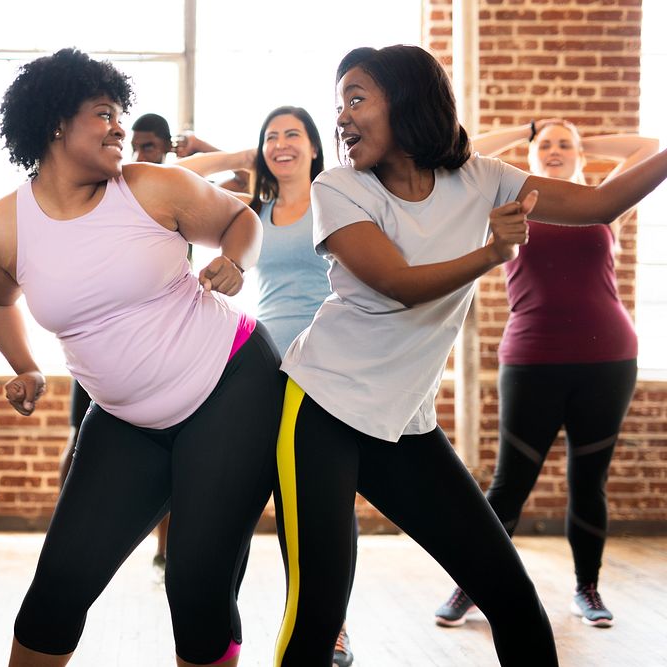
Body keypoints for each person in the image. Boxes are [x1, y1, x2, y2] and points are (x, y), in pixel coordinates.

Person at [272, 44, 667, 667]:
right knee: (320, 611)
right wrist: (491, 253)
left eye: (356, 99)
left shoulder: (483, 178)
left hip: (405, 425)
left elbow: (599, 206)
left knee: (511, 597)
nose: (342, 118)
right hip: (321, 410)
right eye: (339, 103)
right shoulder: (338, 187)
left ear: (406, 102)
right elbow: (398, 284)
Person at [0, 48, 283, 666]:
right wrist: (25, 365)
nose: (120, 128)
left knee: (194, 584)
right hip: (123, 419)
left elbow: (241, 219)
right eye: (105, 114)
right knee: (60, 582)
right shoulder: (1, 230)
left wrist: (234, 261)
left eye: (121, 114)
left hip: (232, 388)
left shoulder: (148, 187)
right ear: (57, 122)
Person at [433, 120, 658, 629]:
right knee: (509, 484)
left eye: (565, 146)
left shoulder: (602, 204)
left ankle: (588, 589)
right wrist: (525, 133)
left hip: (610, 359)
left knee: (588, 480)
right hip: (531, 359)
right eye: (545, 146)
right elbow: (460, 158)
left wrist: (578, 139)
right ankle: (472, 585)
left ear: (580, 156)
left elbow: (648, 148)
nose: (554, 150)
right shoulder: (509, 203)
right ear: (529, 157)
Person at [178, 106, 355, 667]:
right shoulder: (253, 206)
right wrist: (240, 158)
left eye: (293, 135)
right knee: (238, 499)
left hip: (324, 369)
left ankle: (329, 628)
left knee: (314, 507)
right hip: (261, 367)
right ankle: (219, 629)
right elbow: (184, 176)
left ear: (314, 147)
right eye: (271, 137)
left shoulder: (339, 196)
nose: (281, 144)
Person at [58, 110, 178, 571]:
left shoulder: (173, 190)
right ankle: (64, 533)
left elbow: (245, 185)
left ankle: (165, 548)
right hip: (100, 346)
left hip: (156, 349)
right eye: (137, 146)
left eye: (150, 146)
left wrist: (199, 150)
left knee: (170, 453)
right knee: (80, 444)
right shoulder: (116, 189)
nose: (139, 153)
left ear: (167, 147)